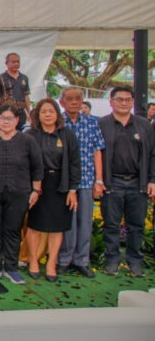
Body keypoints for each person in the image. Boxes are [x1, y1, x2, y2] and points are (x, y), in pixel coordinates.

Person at [97, 87, 155, 277]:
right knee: (111, 224)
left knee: (136, 225)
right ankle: (112, 260)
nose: (124, 103)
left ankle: (135, 261)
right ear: (111, 102)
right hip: (112, 181)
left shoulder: (144, 125)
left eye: (128, 100)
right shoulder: (101, 124)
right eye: (119, 99)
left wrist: (152, 180)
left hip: (138, 182)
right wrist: (99, 180)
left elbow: (152, 154)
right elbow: (96, 153)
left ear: (132, 102)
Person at [0, 105, 43, 283]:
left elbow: (37, 166)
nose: (6, 122)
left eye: (10, 118)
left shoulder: (27, 140)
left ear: (17, 120)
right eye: (3, 118)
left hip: (19, 192)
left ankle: (11, 267)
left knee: (13, 230)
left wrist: (35, 190)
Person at [24, 99, 80, 282]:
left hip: (60, 185)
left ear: (57, 114)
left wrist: (72, 189)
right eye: (44, 111)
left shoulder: (67, 135)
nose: (48, 115)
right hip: (37, 185)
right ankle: (33, 260)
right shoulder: (31, 135)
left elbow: (75, 163)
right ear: (38, 115)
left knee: (57, 227)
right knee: (34, 225)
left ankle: (51, 264)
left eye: (51, 111)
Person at [57, 88, 105, 278]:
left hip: (86, 179)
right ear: (62, 102)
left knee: (85, 221)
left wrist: (99, 180)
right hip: (64, 181)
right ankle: (64, 259)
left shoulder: (92, 122)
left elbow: (97, 151)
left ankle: (82, 260)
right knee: (66, 222)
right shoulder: (58, 123)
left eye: (78, 98)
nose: (74, 102)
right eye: (70, 99)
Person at [0, 53, 31, 129]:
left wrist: (29, 112)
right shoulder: (0, 78)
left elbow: (26, 96)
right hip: (6, 114)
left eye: (18, 62)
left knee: (21, 134)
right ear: (6, 63)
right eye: (13, 62)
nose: (16, 64)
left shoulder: (24, 78)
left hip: (21, 113)